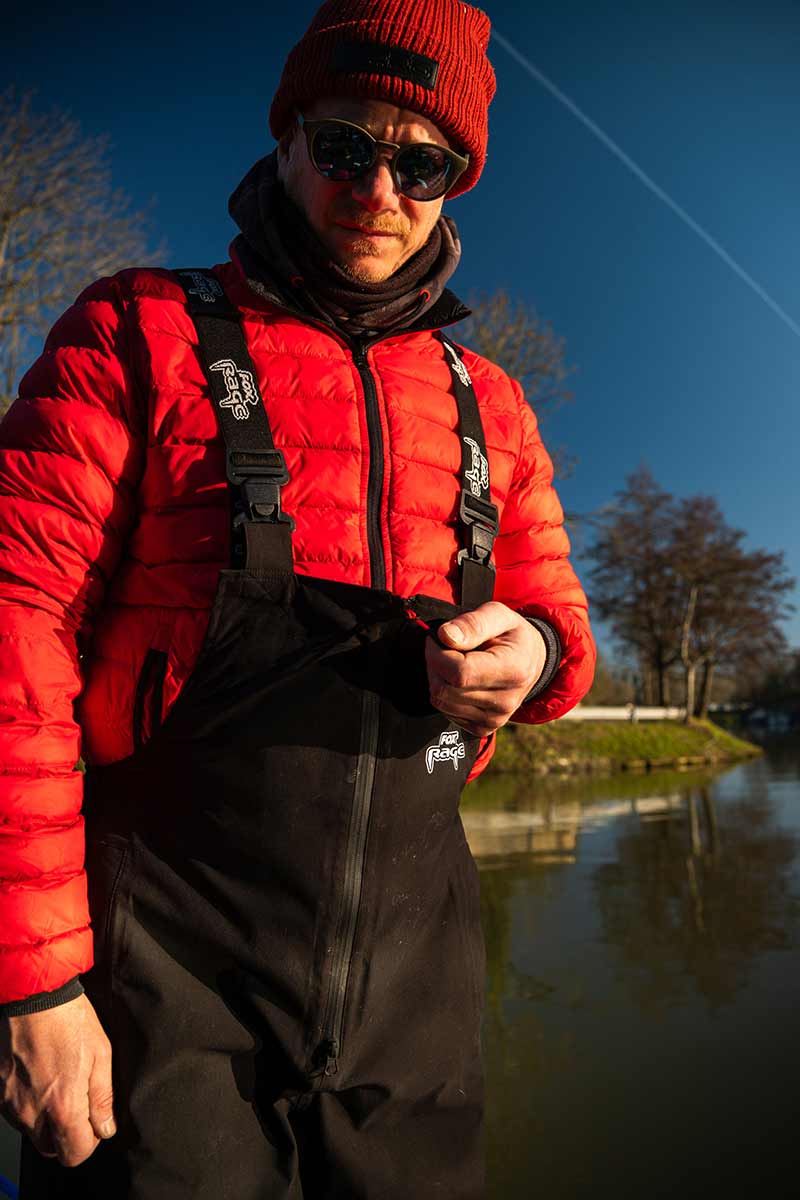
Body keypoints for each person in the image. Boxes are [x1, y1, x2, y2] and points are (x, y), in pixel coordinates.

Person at [0, 1, 595, 1196]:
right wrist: (33, 984)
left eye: (420, 164)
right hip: (159, 984)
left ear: (453, 185)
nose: (377, 188)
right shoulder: (134, 327)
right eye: (344, 146)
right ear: (285, 142)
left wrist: (531, 655)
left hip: (416, 995)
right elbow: (16, 635)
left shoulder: (492, 402)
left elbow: (561, 626)